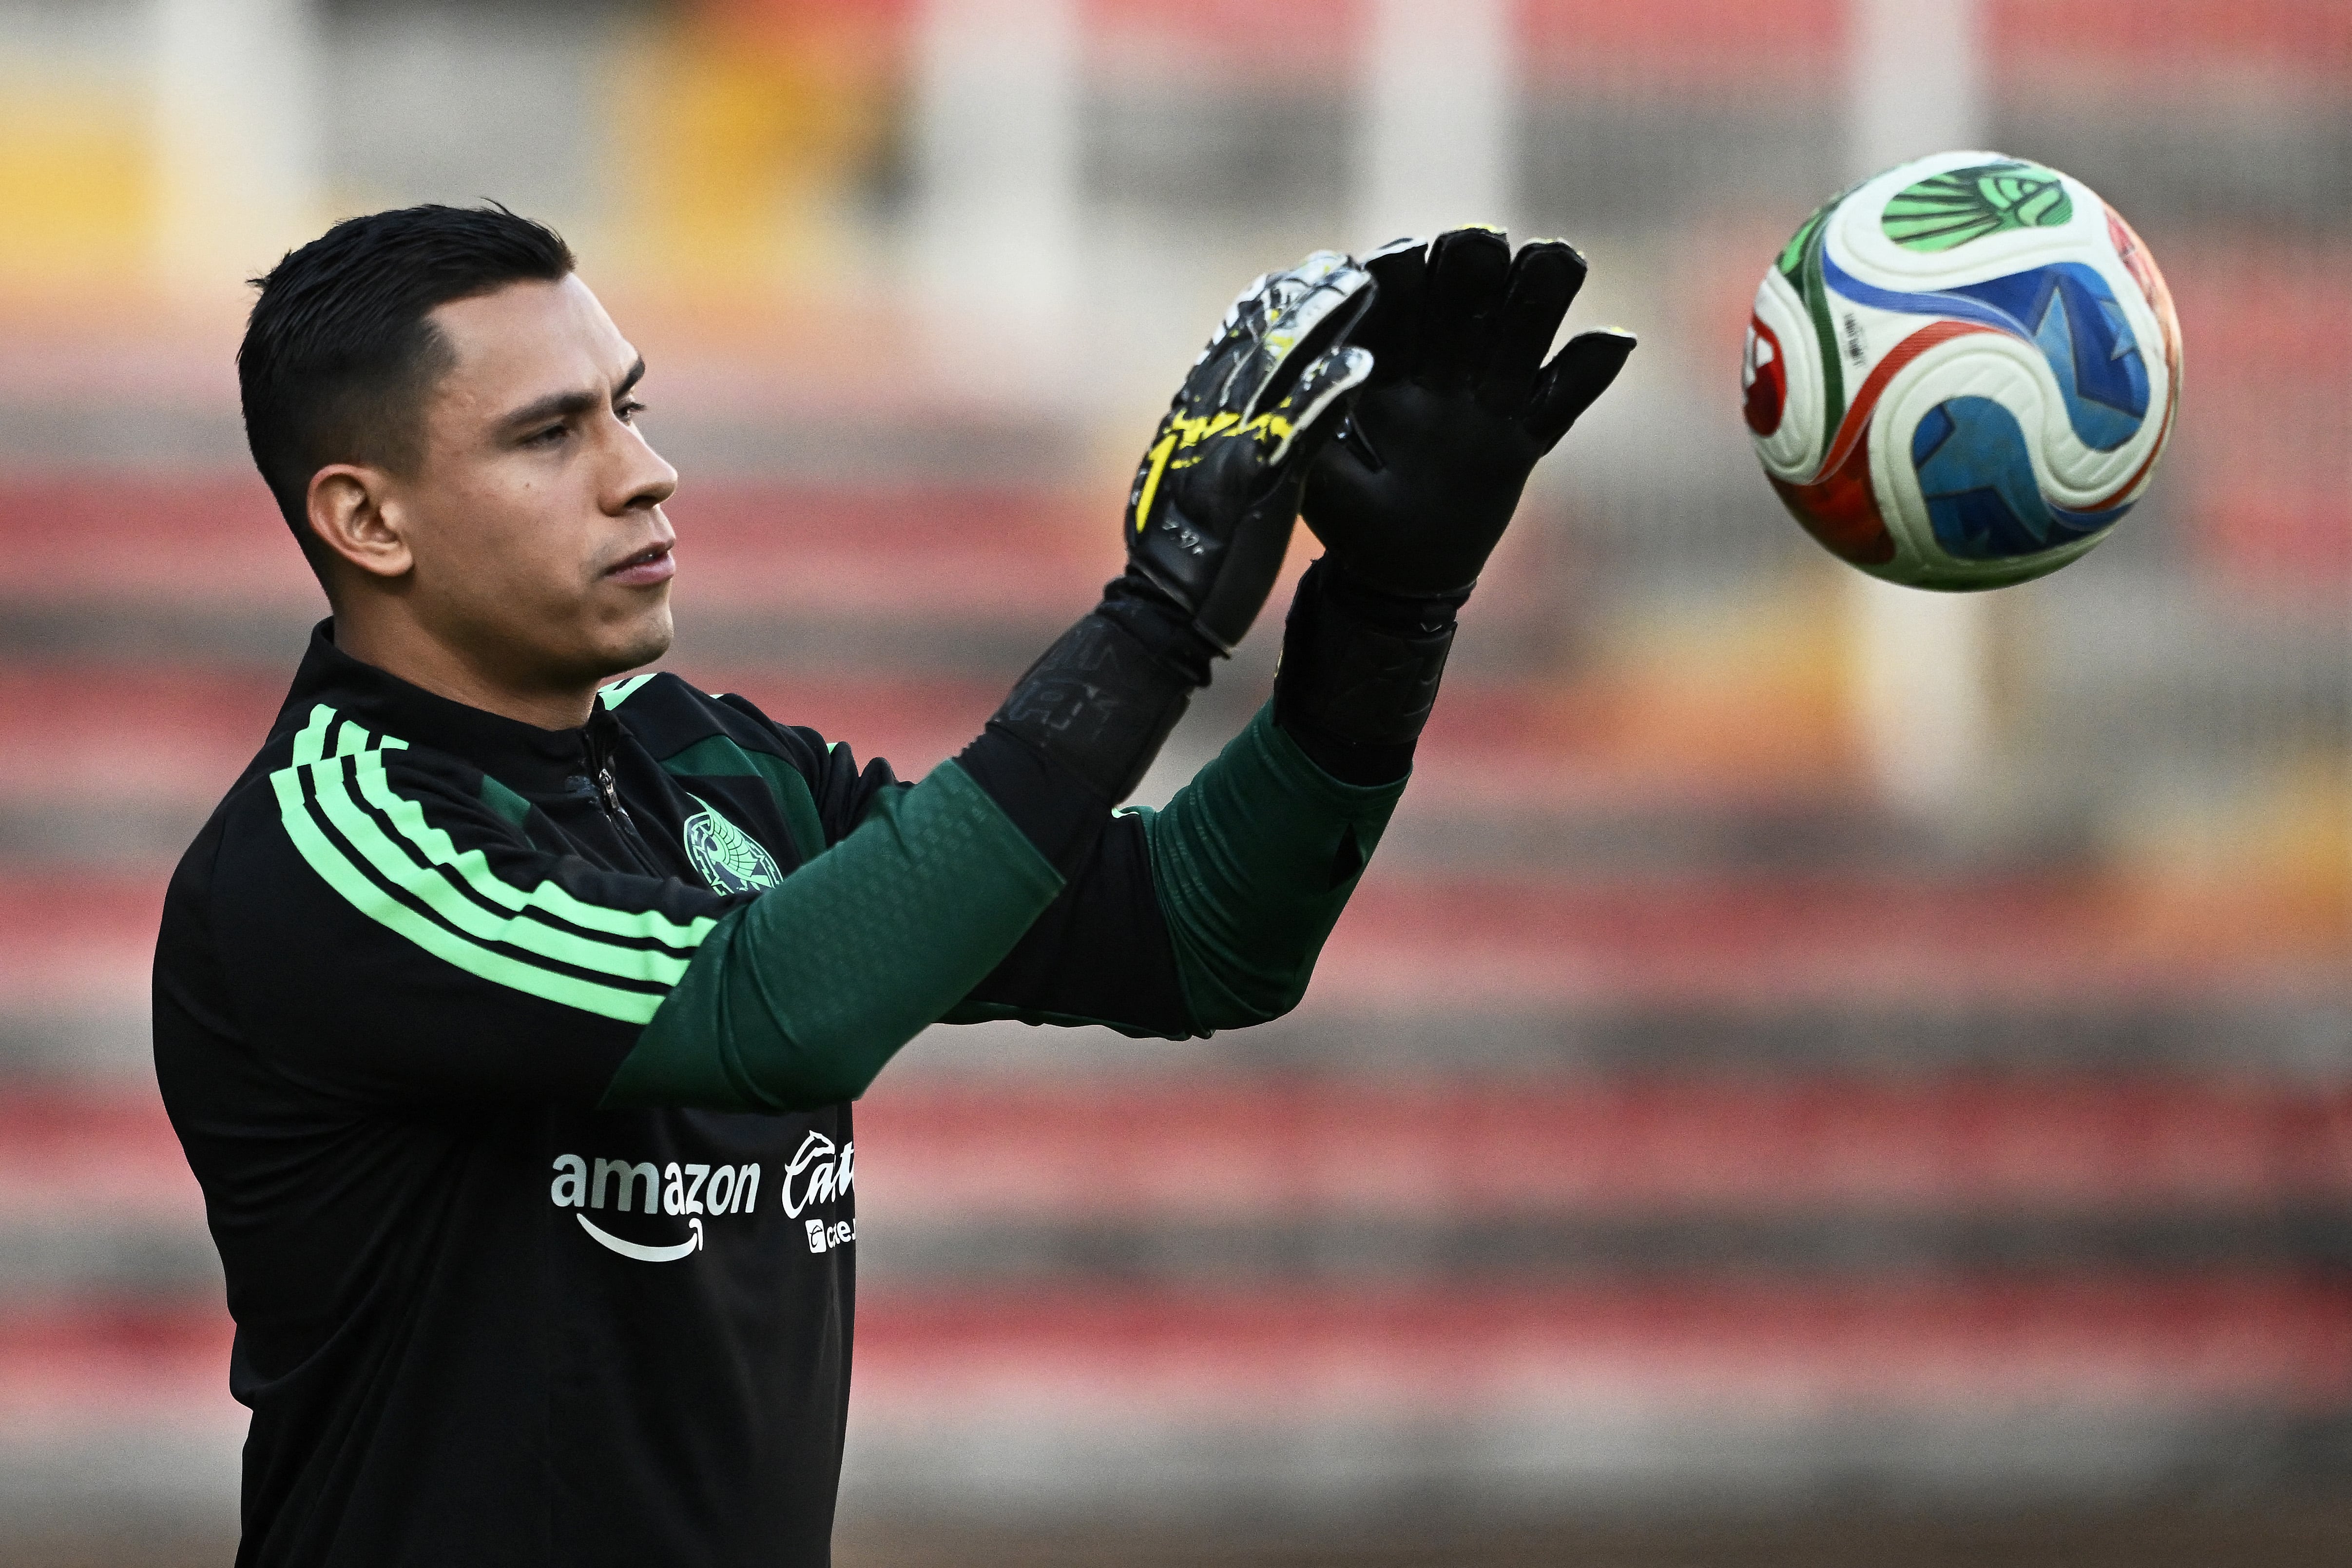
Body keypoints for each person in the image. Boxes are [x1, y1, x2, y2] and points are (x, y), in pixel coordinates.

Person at [151, 204, 1632, 1566]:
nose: (644, 467)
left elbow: (1199, 939)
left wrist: (1386, 609)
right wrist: (1156, 619)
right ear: (369, 521)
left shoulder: (716, 762)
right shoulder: (339, 842)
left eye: (630, 404)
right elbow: (776, 1011)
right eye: (550, 434)